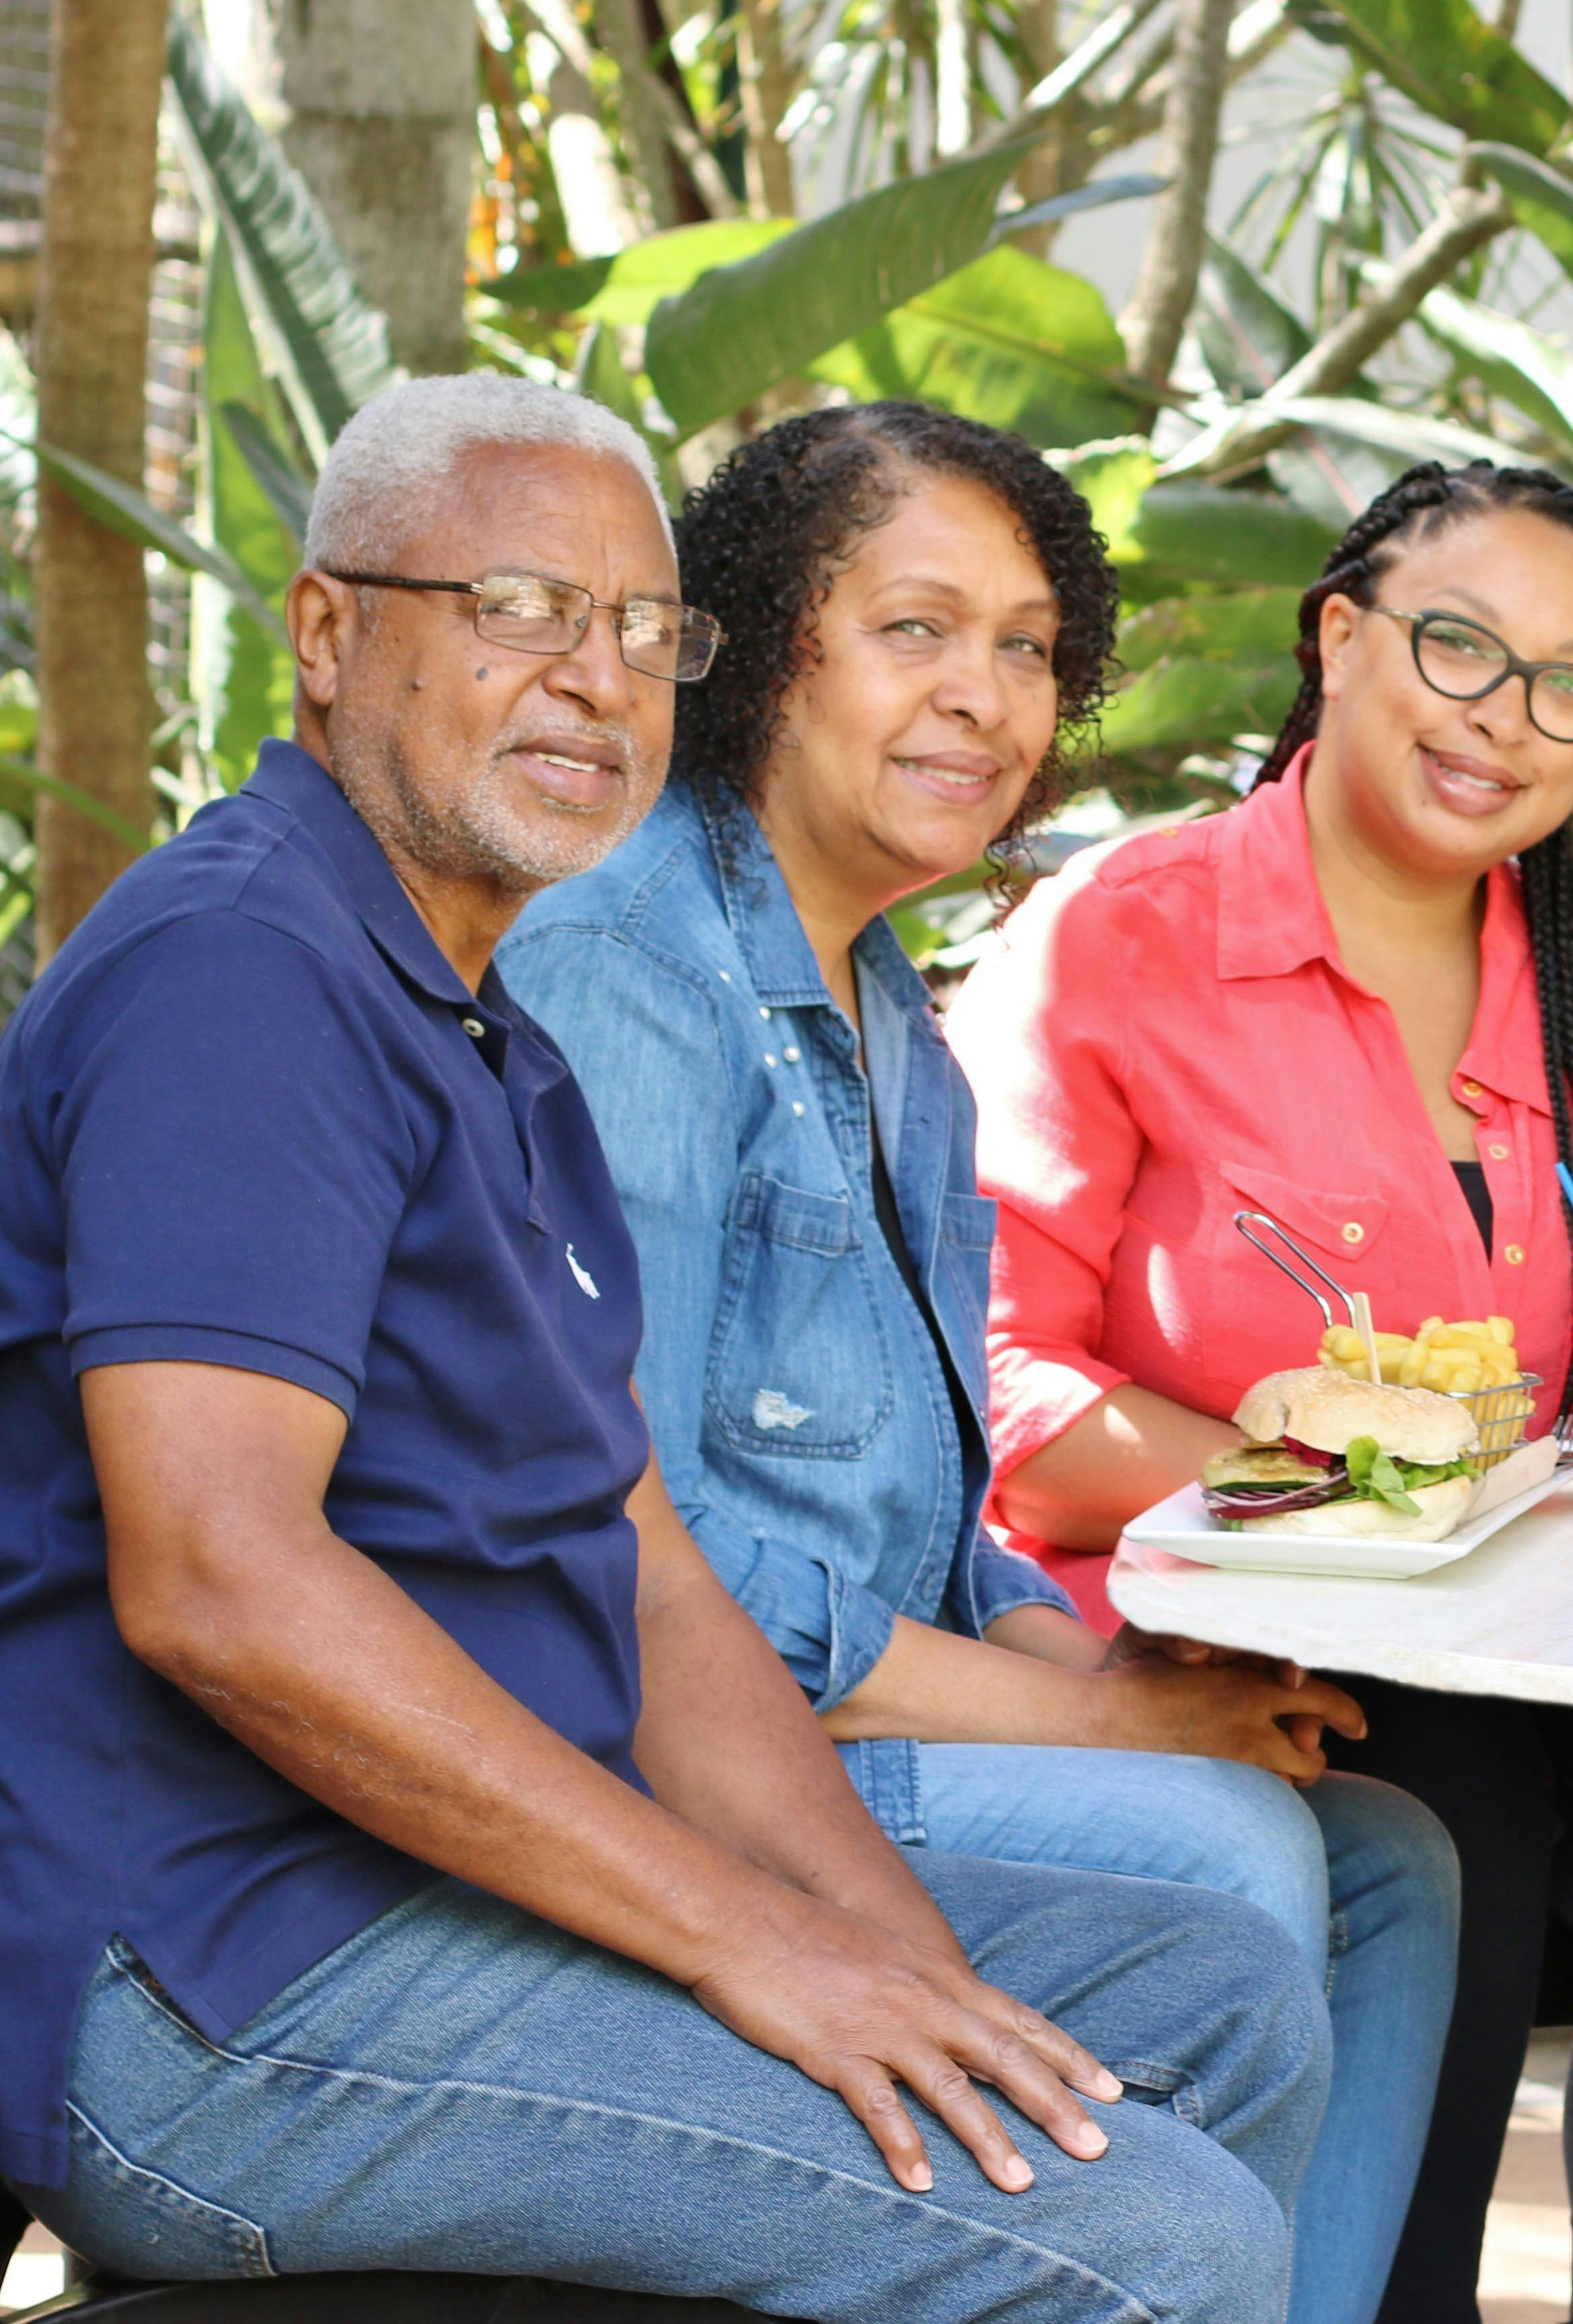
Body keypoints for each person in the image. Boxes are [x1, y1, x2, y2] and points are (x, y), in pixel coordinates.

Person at [0, 375, 1321, 2321]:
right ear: (327, 635)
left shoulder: (493, 1034)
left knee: (1215, 1995)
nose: (598, 679)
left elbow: (648, 1578)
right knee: (1161, 2240)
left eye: (646, 632)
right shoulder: (242, 974)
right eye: (517, 610)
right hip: (224, 1979)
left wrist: (887, 1954)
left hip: (441, 1896)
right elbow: (220, 1580)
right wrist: (752, 1941)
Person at [500, 401, 1459, 2324]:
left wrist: (1084, 1656)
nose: (987, 700)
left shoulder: (885, 1011)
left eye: (1026, 648)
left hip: (874, 1704)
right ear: (771, 642)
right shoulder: (630, 968)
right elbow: (643, 1568)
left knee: (1391, 1869)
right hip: (690, 1760)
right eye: (915, 632)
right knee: (1230, 1865)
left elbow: (936, 1509)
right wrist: (1108, 1729)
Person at [952, 459, 1573, 2324]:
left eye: (1569, 685)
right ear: (1337, 638)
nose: (1505, 721)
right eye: (1460, 649)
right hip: (1283, 1635)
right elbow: (996, 1365)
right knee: (1444, 1804)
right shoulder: (1123, 939)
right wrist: (1338, 1490)